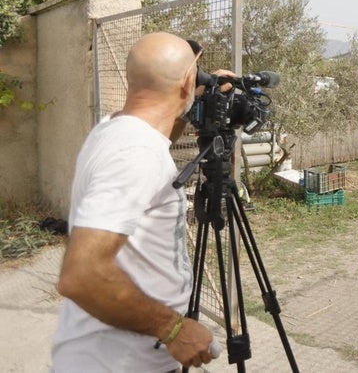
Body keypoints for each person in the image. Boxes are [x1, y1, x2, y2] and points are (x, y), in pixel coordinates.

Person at [51, 32, 228, 372]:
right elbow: (80, 276)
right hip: (117, 364)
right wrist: (174, 329)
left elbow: (159, 133)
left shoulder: (115, 129)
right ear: (188, 80)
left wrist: (196, 96)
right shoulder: (136, 153)